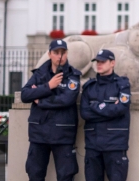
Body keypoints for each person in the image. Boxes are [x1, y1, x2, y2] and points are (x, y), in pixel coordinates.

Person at [21, 39, 82, 181]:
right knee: (35, 173)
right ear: (49, 54)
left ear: (67, 54)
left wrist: (40, 100)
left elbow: (66, 100)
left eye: (63, 52)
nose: (59, 56)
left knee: (66, 175)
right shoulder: (39, 74)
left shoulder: (73, 76)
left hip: (62, 133)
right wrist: (48, 86)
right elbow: (25, 95)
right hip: (39, 133)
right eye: (56, 52)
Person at [80, 49, 131, 181]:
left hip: (115, 144)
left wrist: (96, 107)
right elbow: (85, 113)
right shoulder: (89, 87)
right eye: (97, 61)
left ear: (112, 63)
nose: (99, 64)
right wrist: (111, 109)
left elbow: (121, 108)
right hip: (93, 145)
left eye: (103, 61)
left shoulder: (122, 85)